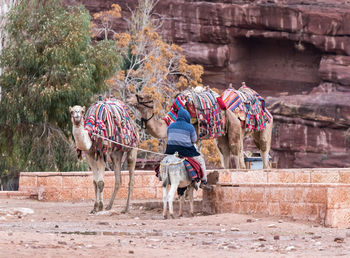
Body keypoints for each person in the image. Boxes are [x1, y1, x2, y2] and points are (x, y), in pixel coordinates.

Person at [165, 107, 211, 190]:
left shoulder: (171, 125)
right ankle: (204, 182)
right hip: (185, 151)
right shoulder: (190, 127)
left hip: (170, 151)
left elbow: (168, 136)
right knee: (201, 161)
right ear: (187, 117)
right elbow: (194, 140)